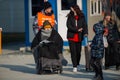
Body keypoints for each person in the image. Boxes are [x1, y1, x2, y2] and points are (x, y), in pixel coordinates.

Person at [66, 5, 88, 72]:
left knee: (78, 52)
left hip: (79, 37)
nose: (71, 9)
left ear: (75, 9)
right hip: (71, 37)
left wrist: (85, 33)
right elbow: (68, 26)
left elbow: (85, 25)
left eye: (71, 8)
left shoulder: (82, 16)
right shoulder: (70, 16)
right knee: (73, 52)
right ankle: (74, 66)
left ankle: (77, 64)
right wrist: (77, 30)